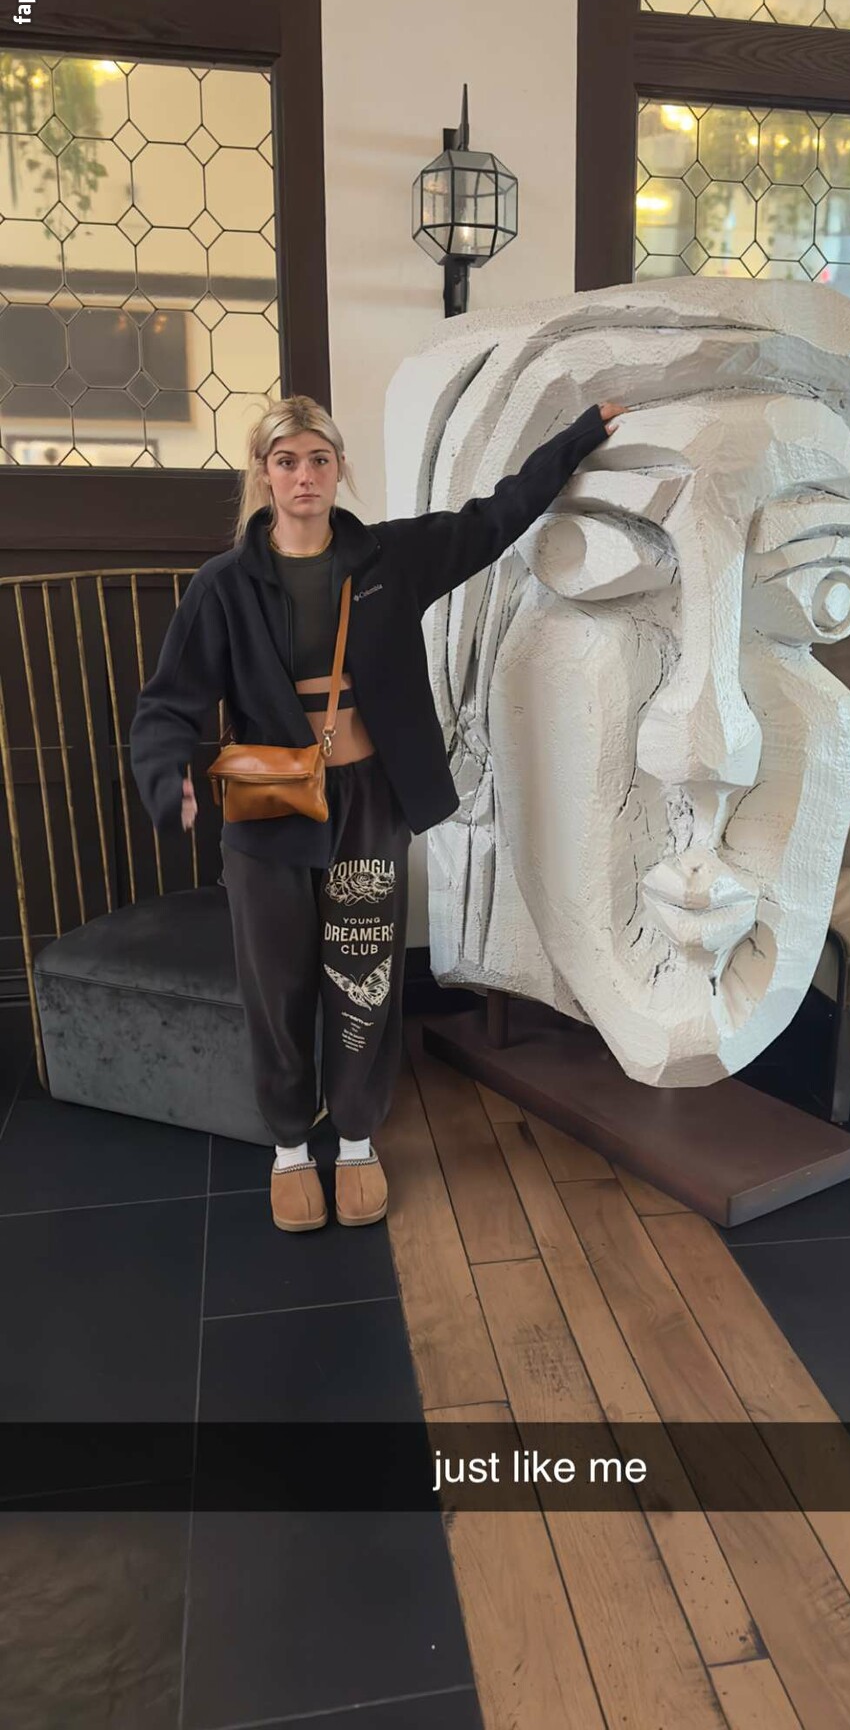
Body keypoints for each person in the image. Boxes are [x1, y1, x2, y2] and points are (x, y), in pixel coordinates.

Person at [129, 391, 624, 1234]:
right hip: (268, 810)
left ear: (338, 468)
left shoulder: (390, 557)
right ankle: (291, 1148)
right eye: (287, 461)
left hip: (367, 803)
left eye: (319, 459)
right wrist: (165, 771)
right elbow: (168, 701)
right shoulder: (224, 586)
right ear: (264, 474)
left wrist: (579, 435)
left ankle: (356, 1138)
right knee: (276, 982)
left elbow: (494, 517)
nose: (305, 476)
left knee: (364, 976)